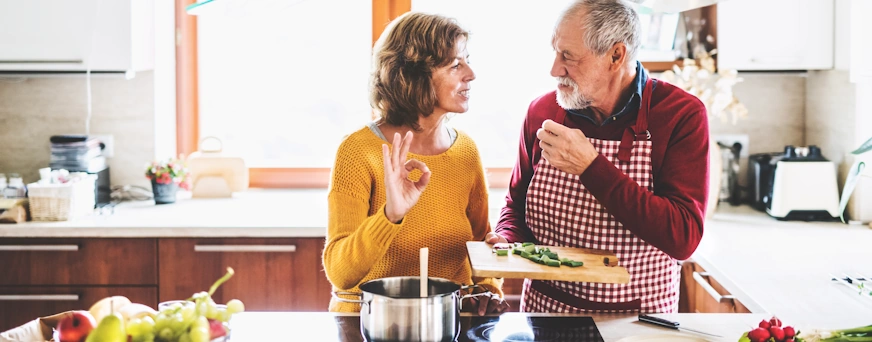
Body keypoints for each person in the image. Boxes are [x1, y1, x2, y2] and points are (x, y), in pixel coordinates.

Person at [486, 0, 710, 313]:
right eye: (555, 51)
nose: (554, 69)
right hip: (546, 312)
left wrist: (591, 166)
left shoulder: (680, 115)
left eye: (568, 56)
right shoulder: (543, 111)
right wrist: (507, 239)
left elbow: (682, 237)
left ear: (616, 56)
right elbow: (515, 204)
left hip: (639, 319)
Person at [323, 11, 507, 315]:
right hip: (369, 325)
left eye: (467, 61)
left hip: (446, 323)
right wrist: (390, 215)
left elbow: (479, 245)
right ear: (413, 75)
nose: (470, 74)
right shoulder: (358, 151)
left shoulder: (465, 152)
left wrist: (487, 289)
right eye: (455, 64)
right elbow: (341, 273)